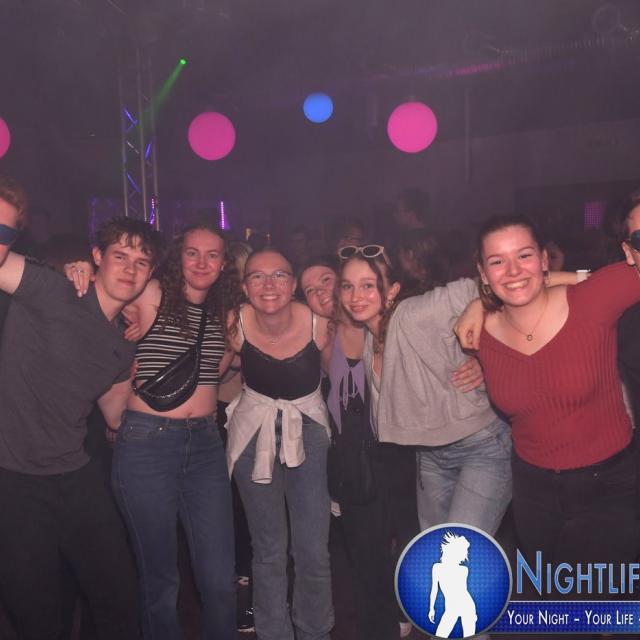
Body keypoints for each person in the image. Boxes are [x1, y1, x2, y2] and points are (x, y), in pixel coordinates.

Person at [0, 179, 162, 640]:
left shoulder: (122, 347)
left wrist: (146, 372)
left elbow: (114, 417)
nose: (130, 269)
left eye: (141, 262)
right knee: (36, 615)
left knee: (119, 598)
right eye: (120, 256)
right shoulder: (52, 289)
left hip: (76, 478)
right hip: (14, 481)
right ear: (96, 257)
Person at [69, 221, 243, 639]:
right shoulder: (150, 293)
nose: (201, 262)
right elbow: (103, 293)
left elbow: (217, 372)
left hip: (205, 445)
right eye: (192, 252)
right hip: (148, 442)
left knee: (220, 580)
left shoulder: (225, 313)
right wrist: (77, 270)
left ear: (224, 264)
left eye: (213, 255)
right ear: (178, 256)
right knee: (161, 579)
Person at [458, 213, 640, 584]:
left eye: (524, 255)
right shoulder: (480, 334)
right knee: (549, 592)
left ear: (544, 259)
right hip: (532, 490)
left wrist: (564, 277)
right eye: (497, 261)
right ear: (482, 273)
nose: (512, 270)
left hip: (606, 485)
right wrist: (478, 306)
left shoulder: (592, 300)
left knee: (585, 599)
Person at [338, 243, 511, 537]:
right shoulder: (370, 337)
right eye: (347, 286)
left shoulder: (413, 314)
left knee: (462, 548)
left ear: (392, 290)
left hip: (481, 447)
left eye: (368, 285)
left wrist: (483, 347)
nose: (355, 297)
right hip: (430, 457)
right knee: (435, 550)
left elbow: (493, 285)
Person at [225, 248, 334, 640]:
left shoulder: (318, 323)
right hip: (252, 435)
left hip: (309, 433)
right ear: (244, 286)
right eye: (257, 276)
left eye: (279, 275)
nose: (268, 284)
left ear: (293, 284)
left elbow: (346, 372)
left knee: (312, 548)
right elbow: (210, 370)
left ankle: (315, 632)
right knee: (268, 548)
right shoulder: (234, 322)